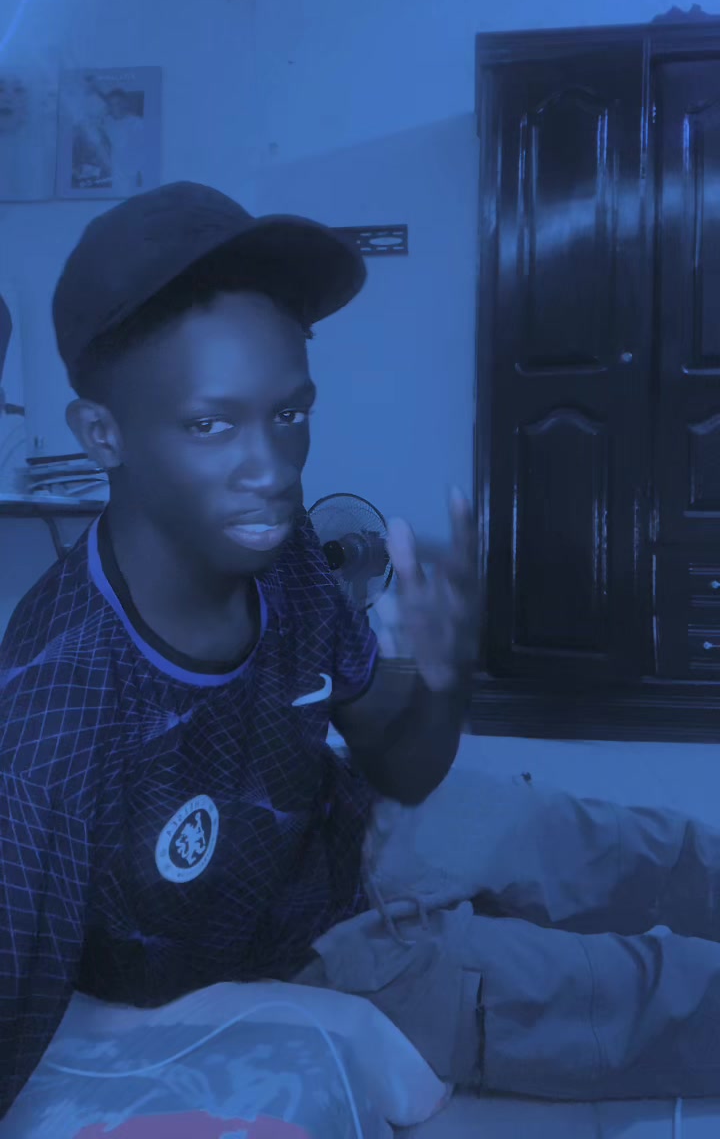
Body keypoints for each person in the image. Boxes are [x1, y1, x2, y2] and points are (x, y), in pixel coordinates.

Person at [1, 181, 719, 1120]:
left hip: (354, 823)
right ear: (102, 433)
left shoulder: (286, 549)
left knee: (633, 847)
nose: (273, 471)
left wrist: (448, 674)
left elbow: (401, 766)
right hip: (314, 955)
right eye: (211, 424)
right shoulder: (55, 711)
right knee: (656, 994)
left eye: (289, 414)